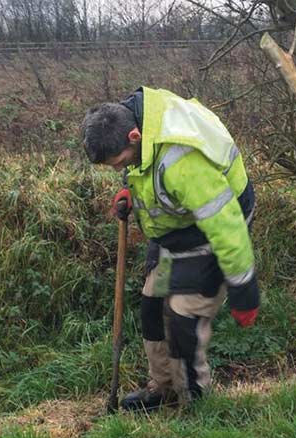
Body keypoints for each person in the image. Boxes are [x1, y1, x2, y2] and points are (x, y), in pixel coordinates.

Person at [82, 86, 260, 412]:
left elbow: (227, 225)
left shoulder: (182, 161)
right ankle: (163, 387)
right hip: (174, 232)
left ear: (134, 136)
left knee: (182, 317)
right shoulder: (132, 120)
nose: (117, 168)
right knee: (152, 303)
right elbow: (140, 166)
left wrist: (243, 286)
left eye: (118, 162)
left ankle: (195, 401)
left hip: (210, 233)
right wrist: (130, 193)